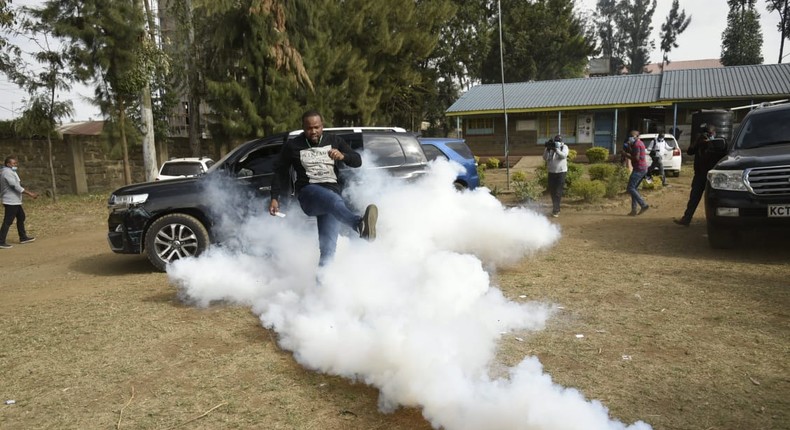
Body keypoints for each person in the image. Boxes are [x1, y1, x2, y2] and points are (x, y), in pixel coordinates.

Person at [269, 110, 378, 266]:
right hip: (308, 194)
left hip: (332, 199)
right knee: (333, 200)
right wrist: (274, 197)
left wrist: (343, 156)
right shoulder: (293, 146)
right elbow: (280, 171)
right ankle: (359, 225)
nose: (313, 131)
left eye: (316, 127)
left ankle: (322, 287)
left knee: (328, 250)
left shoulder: (334, 140)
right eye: (309, 128)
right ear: (303, 128)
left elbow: (357, 160)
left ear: (322, 126)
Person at [674, 124, 717, 226]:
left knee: (713, 199)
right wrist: (697, 141)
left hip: (711, 176)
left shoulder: (717, 143)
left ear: (714, 134)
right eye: (706, 133)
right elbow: (689, 152)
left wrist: (711, 143)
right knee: (693, 198)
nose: (707, 135)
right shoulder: (699, 142)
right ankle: (686, 219)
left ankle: (715, 221)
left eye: (710, 133)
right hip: (699, 175)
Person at [0, 156, 38, 249]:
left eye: (16, 163)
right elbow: (15, 186)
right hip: (10, 201)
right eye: (13, 163)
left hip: (15, 201)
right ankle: (1, 241)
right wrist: (30, 194)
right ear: (8, 164)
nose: (15, 165)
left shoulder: (11, 172)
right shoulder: (7, 173)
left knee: (21, 217)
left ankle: (23, 237)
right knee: (8, 221)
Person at [542, 134, 569, 218]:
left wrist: (556, 149)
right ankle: (556, 207)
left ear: (561, 142)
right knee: (552, 191)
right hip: (551, 172)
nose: (556, 142)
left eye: (558, 141)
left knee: (558, 191)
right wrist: (548, 149)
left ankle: (556, 210)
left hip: (561, 172)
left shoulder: (564, 147)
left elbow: (563, 156)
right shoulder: (550, 148)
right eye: (555, 141)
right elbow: (544, 158)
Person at [626, 130, 650, 216]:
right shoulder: (640, 143)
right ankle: (634, 210)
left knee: (630, 188)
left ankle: (643, 205)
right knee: (634, 189)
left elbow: (636, 158)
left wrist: (625, 155)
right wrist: (629, 146)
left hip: (639, 169)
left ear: (636, 136)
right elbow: (634, 153)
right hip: (642, 168)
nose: (630, 137)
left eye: (632, 136)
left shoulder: (636, 144)